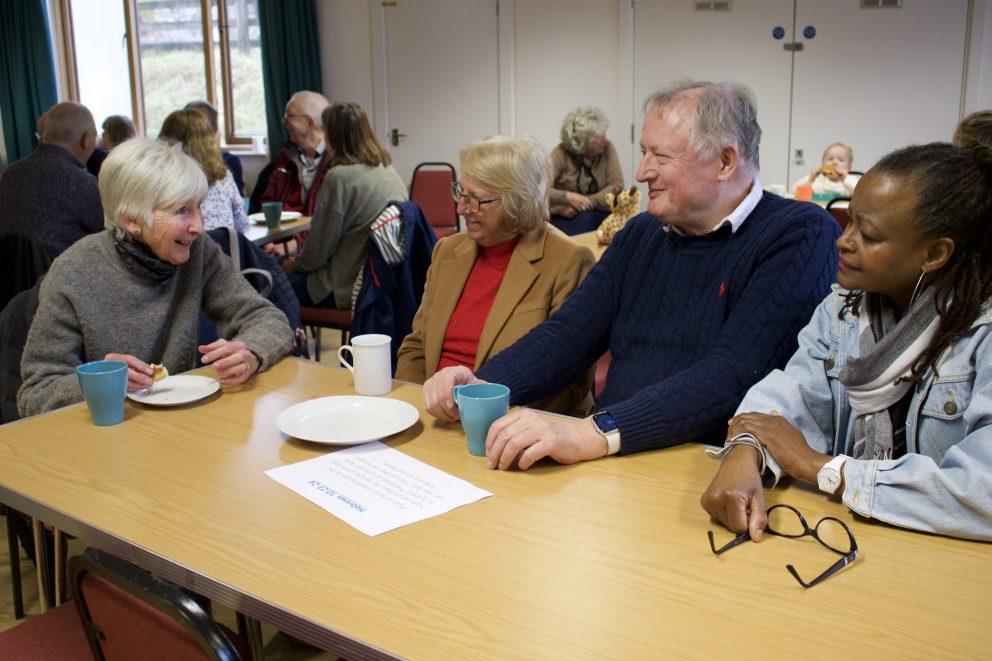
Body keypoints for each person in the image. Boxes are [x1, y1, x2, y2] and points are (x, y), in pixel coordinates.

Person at [422, 80, 839, 471]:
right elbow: (568, 334)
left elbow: (734, 374)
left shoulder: (800, 233)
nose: (641, 173)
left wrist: (593, 432)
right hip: (615, 456)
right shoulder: (642, 233)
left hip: (705, 467)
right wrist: (481, 384)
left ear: (725, 161)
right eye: (643, 152)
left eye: (660, 156)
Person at [701, 142, 992, 542]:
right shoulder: (842, 310)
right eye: (849, 220)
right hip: (852, 539)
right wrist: (744, 452)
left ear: (934, 254)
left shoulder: (982, 335)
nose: (843, 240)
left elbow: (982, 491)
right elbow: (788, 399)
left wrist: (825, 469)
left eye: (868, 235)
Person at [17, 138, 293, 417]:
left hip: (180, 425)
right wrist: (103, 381)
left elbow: (267, 319)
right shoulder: (73, 272)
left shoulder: (198, 253)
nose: (199, 226)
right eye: (181, 211)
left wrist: (251, 352)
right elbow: (36, 393)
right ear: (132, 220)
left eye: (199, 207)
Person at [396, 136, 596, 414]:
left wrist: (478, 412)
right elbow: (416, 348)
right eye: (459, 192)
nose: (460, 208)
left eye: (475, 200)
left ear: (517, 202)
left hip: (512, 422)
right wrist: (416, 408)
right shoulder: (447, 251)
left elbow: (569, 383)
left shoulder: (568, 261)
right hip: (438, 417)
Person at [282, 102, 407, 309]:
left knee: (267, 286)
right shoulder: (387, 170)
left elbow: (317, 252)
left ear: (333, 135)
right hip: (379, 282)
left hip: (342, 286)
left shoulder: (339, 177)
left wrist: (294, 265)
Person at [0, 101, 103, 259]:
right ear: (86, 140)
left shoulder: (9, 174)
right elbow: (109, 232)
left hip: (10, 277)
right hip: (64, 277)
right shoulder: (80, 182)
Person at [159, 109, 249, 233]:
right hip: (226, 250)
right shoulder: (224, 178)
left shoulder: (162, 182)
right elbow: (242, 225)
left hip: (188, 249)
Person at [548, 106, 625, 236]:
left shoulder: (607, 148)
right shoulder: (560, 153)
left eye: (604, 133)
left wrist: (584, 203)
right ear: (582, 141)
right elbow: (541, 190)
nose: (605, 140)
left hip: (600, 211)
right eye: (599, 136)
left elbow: (616, 184)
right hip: (565, 216)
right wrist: (567, 198)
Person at [260, 90, 332, 215]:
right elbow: (267, 204)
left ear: (309, 121)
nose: (283, 121)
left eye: (289, 116)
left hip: (319, 233)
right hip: (284, 232)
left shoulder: (335, 158)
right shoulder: (285, 158)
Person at [185, 100, 245, 194]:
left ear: (214, 128)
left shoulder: (229, 163)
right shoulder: (174, 163)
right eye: (188, 124)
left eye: (200, 124)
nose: (193, 130)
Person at [792, 143, 860, 199]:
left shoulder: (852, 180)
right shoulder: (817, 180)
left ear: (849, 167)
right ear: (822, 164)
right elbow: (794, 191)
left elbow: (862, 195)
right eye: (830, 159)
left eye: (841, 160)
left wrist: (845, 179)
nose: (834, 162)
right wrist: (810, 179)